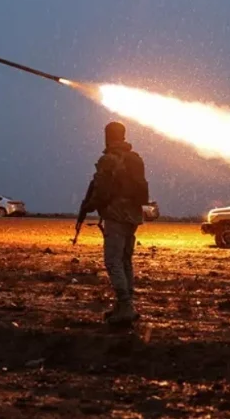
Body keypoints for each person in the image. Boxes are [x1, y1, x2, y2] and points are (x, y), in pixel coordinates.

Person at [79, 121, 149, 325]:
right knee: (126, 261)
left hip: (116, 216)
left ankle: (125, 306)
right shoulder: (135, 159)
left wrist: (90, 206)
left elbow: (101, 190)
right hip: (133, 216)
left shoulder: (108, 160)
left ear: (108, 136)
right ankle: (125, 305)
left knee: (113, 261)